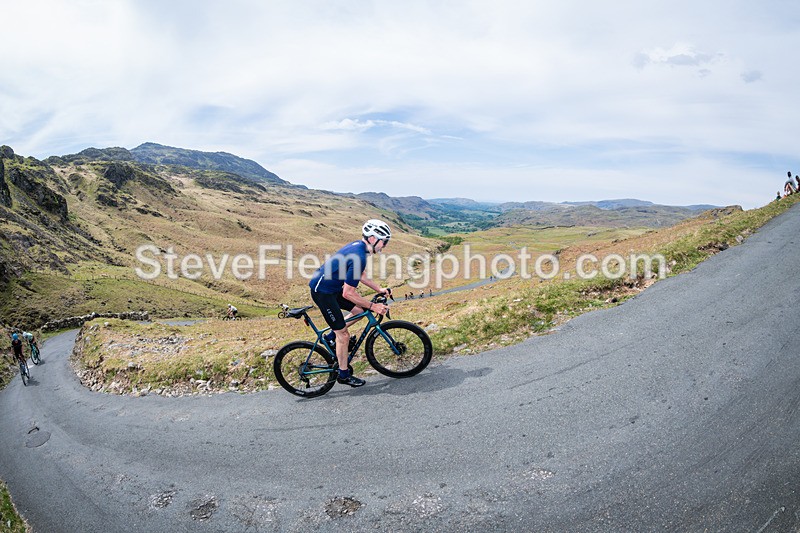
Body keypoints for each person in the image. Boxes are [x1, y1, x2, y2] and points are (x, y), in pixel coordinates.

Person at [309, 219, 391, 387]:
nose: (385, 245)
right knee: (344, 334)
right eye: (384, 241)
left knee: (360, 311)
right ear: (373, 239)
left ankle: (331, 338)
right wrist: (373, 306)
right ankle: (343, 374)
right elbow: (348, 293)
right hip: (323, 292)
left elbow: (360, 275)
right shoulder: (360, 254)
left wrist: (379, 289)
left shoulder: (360, 248)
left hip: (331, 287)